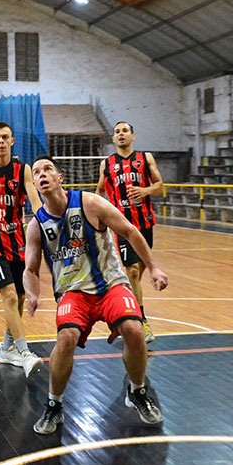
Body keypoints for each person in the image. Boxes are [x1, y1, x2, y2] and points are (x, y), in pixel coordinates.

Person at [24, 155, 168, 435]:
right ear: (35, 183)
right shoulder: (36, 225)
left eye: (47, 169)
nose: (42, 174)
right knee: (66, 337)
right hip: (73, 292)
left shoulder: (89, 203)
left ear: (59, 178)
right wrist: (33, 293)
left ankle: (137, 391)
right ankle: (54, 404)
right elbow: (30, 268)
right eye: (37, 172)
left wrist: (153, 267)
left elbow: (129, 230)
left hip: (111, 285)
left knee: (134, 330)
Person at [0, 122, 45, 377]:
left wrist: (47, 221)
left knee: (20, 296)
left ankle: (6, 348)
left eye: (5, 137)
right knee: (10, 297)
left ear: (12, 141)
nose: (1, 141)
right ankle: (25, 353)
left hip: (16, 240)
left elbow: (35, 200)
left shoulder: (22, 169)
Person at [96, 121, 163, 343]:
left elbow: (160, 185)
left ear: (132, 136)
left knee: (138, 271)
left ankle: (123, 306)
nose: (121, 134)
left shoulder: (146, 159)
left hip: (144, 223)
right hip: (123, 225)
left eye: (125, 131)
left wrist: (145, 190)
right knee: (133, 271)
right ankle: (141, 322)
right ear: (113, 139)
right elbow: (99, 192)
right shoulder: (107, 164)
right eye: (117, 132)